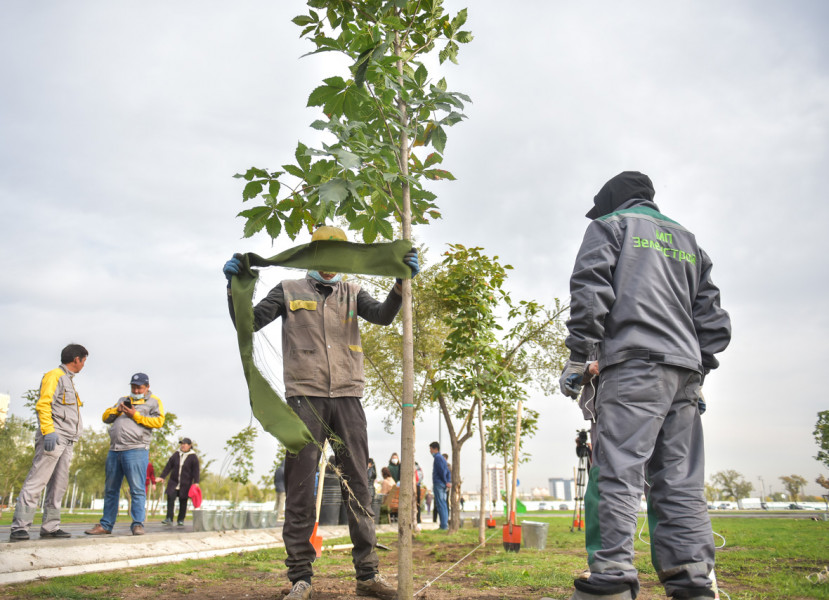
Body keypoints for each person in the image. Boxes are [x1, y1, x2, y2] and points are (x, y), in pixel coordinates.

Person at [558, 171, 731, 600]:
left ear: (613, 200)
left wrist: (579, 356)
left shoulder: (611, 226)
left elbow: (590, 292)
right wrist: (699, 371)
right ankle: (692, 583)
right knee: (680, 482)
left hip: (634, 368)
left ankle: (611, 580)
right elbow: (712, 321)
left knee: (618, 472)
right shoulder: (689, 241)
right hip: (684, 375)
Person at [222, 225, 419, 600]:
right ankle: (301, 577)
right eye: (325, 254)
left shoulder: (353, 292)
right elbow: (248, 321)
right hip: (304, 399)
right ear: (313, 254)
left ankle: (367, 576)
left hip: (348, 398)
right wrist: (234, 289)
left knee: (358, 486)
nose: (332, 262)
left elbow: (382, 316)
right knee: (299, 487)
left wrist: (399, 285)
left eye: (339, 255)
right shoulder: (288, 290)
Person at [9, 344, 88, 542]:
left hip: (67, 440)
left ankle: (50, 527)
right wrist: (48, 431)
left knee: (59, 485)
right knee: (37, 481)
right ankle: (20, 527)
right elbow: (43, 404)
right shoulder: (54, 376)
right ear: (76, 359)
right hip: (54, 437)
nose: (84, 364)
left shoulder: (68, 380)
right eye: (84, 360)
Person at [85, 373, 166, 536]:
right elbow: (105, 417)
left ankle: (137, 524)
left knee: (137, 488)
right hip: (115, 449)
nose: (136, 390)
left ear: (147, 387)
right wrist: (118, 409)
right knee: (110, 489)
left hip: (136, 449)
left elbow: (159, 422)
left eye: (139, 388)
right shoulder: (123, 399)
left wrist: (135, 415)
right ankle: (106, 525)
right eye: (133, 387)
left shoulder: (154, 401)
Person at [156, 437, 200, 526]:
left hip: (185, 483)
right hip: (173, 482)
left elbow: (196, 470)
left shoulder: (193, 457)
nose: (182, 445)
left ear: (190, 446)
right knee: (170, 498)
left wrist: (196, 482)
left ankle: (181, 519)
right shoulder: (176, 454)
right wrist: (162, 477)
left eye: (185, 444)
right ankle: (169, 518)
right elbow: (168, 466)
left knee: (183, 501)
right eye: (182, 444)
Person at [429, 442, 451, 530]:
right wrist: (448, 481)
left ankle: (443, 525)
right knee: (444, 504)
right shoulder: (442, 458)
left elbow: (441, 471)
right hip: (443, 483)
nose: (430, 451)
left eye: (431, 449)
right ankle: (444, 524)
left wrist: (445, 481)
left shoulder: (438, 458)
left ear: (435, 449)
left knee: (440, 504)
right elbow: (447, 471)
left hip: (439, 483)